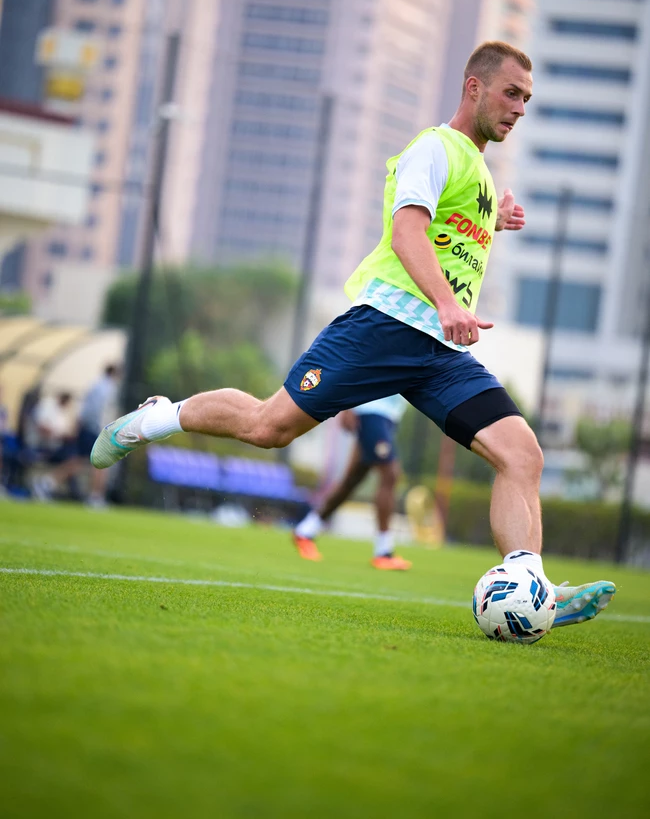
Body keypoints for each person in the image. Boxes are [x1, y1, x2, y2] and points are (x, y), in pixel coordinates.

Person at [91, 41, 616, 629]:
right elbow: (407, 231)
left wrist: (495, 217)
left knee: (521, 455)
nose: (520, 108)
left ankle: (534, 589)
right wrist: (447, 303)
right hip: (382, 328)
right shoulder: (434, 147)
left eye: (527, 99)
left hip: (441, 353)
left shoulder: (479, 170)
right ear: (474, 87)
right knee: (268, 427)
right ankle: (157, 417)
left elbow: (449, 227)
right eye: (511, 93)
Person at [293, 395, 411, 569]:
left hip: (388, 417)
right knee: (390, 475)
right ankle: (383, 552)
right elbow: (359, 375)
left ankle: (306, 530)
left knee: (352, 480)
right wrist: (348, 407)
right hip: (371, 412)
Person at [77, 364, 121, 507]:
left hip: (92, 428)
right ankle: (95, 496)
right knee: (99, 463)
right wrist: (103, 430)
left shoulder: (98, 384)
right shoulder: (106, 388)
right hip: (96, 430)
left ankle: (48, 482)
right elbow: (98, 410)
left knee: (82, 461)